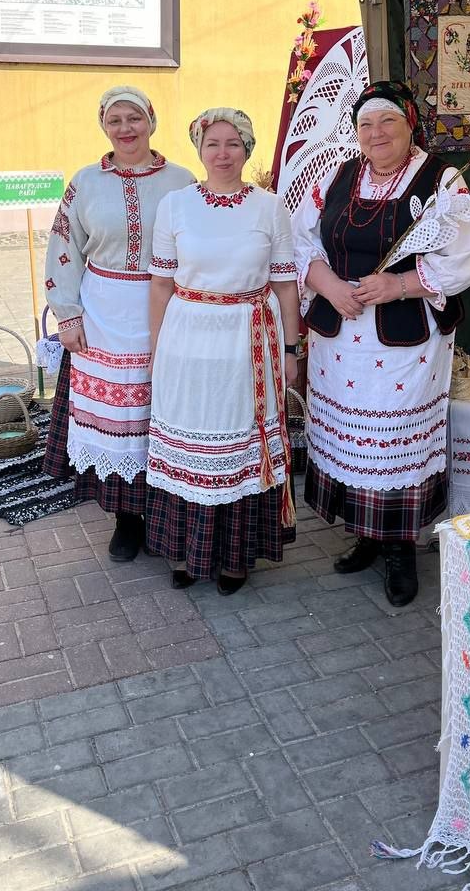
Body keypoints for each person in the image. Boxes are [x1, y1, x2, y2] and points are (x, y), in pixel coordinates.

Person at [292, 79, 470, 607]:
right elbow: (300, 238)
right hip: (341, 338)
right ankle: (368, 534)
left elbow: (465, 259)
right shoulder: (336, 173)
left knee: (396, 438)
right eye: (366, 125)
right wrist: (330, 286)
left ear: (409, 126)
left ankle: (400, 545)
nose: (376, 134)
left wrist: (398, 284)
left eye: (388, 123)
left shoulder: (443, 182)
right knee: (352, 440)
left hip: (405, 344)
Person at [145, 108, 300, 595]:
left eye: (233, 143)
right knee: (191, 446)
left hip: (248, 343)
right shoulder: (174, 205)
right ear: (199, 149)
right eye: (213, 143)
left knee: (238, 450)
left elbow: (285, 286)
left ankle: (235, 558)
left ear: (247, 149)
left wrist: (291, 350)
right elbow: (160, 286)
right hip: (188, 340)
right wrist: (157, 354)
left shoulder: (271, 208)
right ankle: (187, 553)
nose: (223, 153)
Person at [43, 87, 194, 561]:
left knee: (161, 413)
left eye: (135, 118)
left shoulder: (183, 180)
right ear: (104, 126)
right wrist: (66, 313)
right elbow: (62, 246)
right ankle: (126, 519)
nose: (125, 128)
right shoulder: (85, 182)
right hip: (103, 311)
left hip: (166, 304)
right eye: (115, 120)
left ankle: (163, 512)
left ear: (152, 120)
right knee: (115, 420)